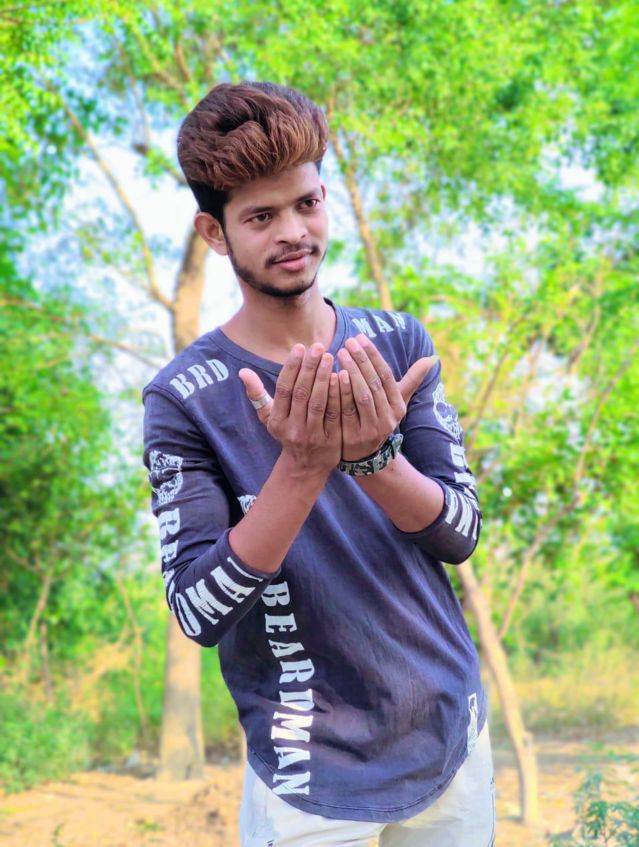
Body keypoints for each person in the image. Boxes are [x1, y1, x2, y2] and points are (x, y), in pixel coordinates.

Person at [142, 81, 495, 847]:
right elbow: (198, 609)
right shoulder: (185, 397)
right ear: (213, 232)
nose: (293, 232)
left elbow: (461, 531)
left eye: (305, 203)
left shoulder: (398, 343)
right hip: (307, 771)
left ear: (325, 197)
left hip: (450, 736)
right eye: (261, 217)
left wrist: (374, 459)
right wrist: (301, 468)